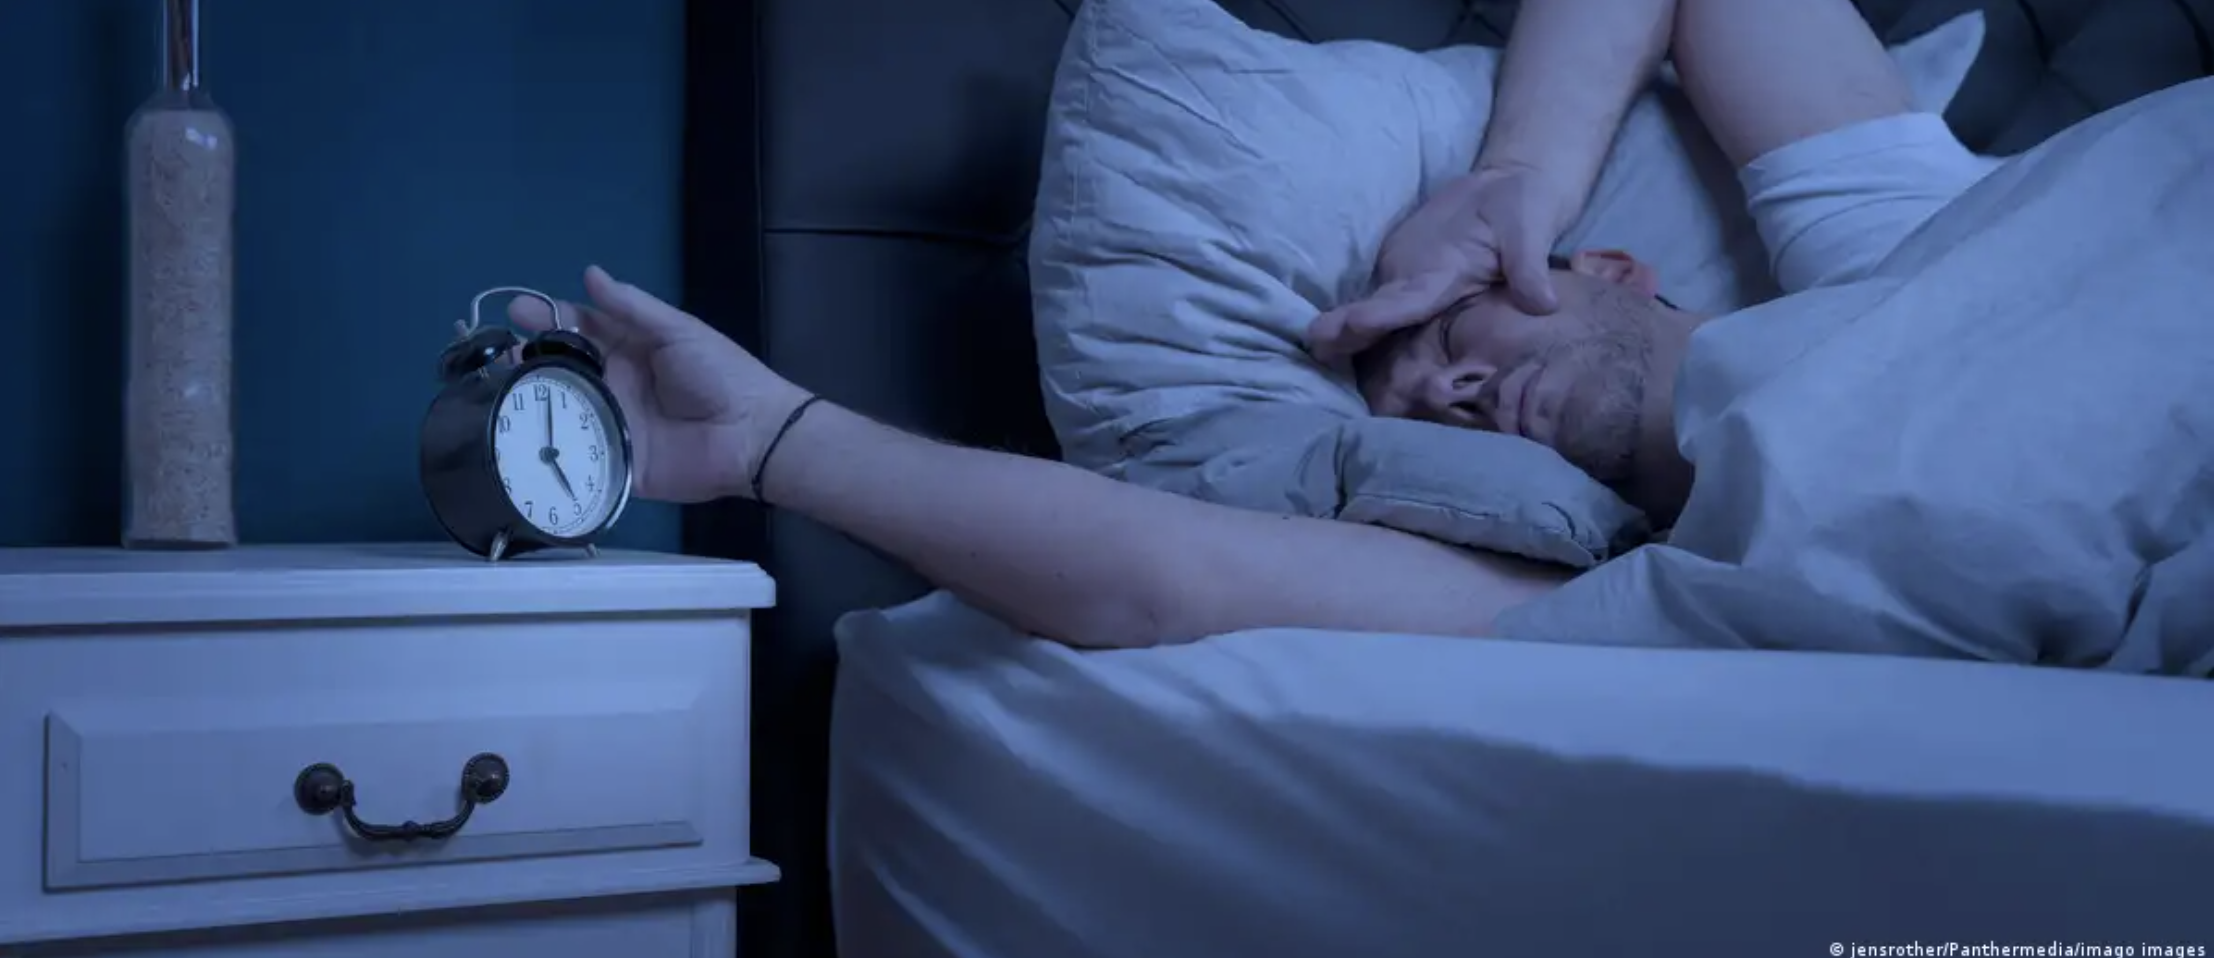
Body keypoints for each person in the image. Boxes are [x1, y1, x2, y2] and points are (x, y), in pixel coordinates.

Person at [517, 0, 1986, 650]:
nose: (1443, 391)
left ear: (1610, 265)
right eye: (1404, 402)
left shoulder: (1895, 239)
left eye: (1444, 336)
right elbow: (1169, 579)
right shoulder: (1655, 592)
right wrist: (772, 438)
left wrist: (1510, 183)